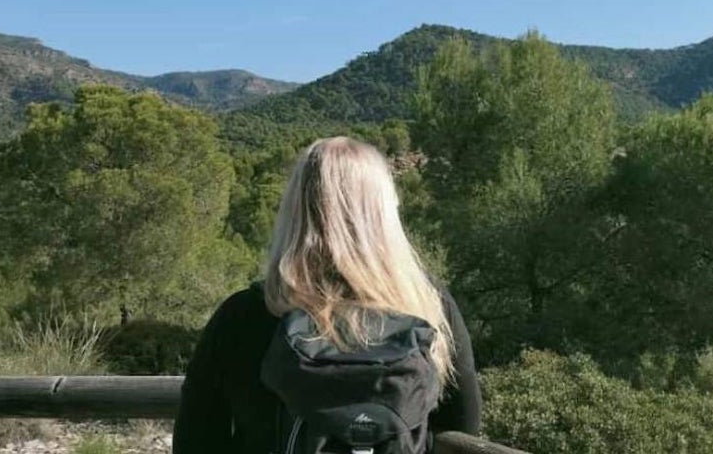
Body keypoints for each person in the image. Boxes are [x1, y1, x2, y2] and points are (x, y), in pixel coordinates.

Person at [173, 136, 482, 454]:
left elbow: (196, 439)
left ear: (295, 208)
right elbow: (463, 429)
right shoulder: (428, 304)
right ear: (384, 210)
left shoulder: (244, 315)